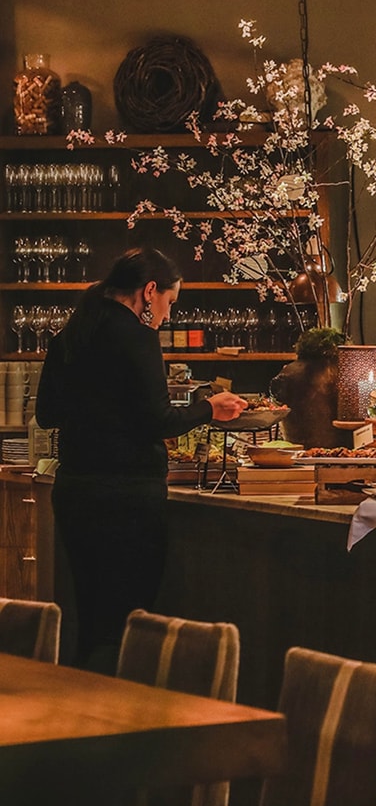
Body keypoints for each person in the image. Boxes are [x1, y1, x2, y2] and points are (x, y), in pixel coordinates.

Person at [36, 247, 247, 673]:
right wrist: (210, 407)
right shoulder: (136, 336)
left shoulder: (72, 334)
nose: (167, 316)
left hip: (76, 491)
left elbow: (47, 414)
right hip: (127, 500)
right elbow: (159, 420)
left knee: (91, 618)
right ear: (150, 291)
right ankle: (119, 724)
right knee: (128, 622)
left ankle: (83, 721)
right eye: (169, 303)